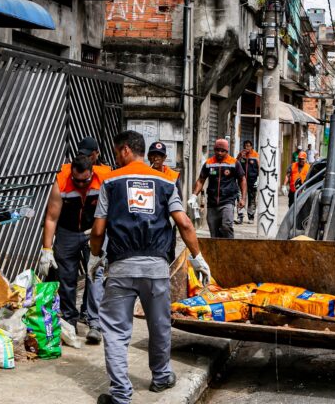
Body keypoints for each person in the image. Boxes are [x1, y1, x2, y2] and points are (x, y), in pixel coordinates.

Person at [88, 130, 212, 404]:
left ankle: (120, 395)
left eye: (116, 152)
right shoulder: (166, 182)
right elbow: (185, 223)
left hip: (120, 268)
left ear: (124, 151)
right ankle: (162, 376)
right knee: (159, 324)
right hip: (156, 268)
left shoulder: (110, 181)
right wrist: (197, 257)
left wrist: (95, 255)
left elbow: (98, 230)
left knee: (117, 331)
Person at [39, 137, 110, 344]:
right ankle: (69, 320)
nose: (80, 184)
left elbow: (111, 211)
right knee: (66, 278)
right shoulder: (61, 180)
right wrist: (46, 249)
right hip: (67, 232)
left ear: (92, 173)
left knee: (95, 275)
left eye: (84, 181)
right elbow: (51, 217)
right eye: (76, 181)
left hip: (93, 232)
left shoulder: (104, 177)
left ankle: (94, 323)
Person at [189, 139, 246, 238]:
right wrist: (194, 196)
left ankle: (229, 249)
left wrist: (243, 198)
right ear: (214, 150)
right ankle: (217, 252)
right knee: (214, 232)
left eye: (222, 150)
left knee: (226, 226)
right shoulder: (209, 163)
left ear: (227, 151)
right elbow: (201, 180)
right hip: (212, 203)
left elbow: (242, 180)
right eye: (217, 150)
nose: (219, 153)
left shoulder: (234, 163)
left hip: (228, 201)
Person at [147, 141, 181, 260]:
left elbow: (178, 201)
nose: (156, 158)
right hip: (149, 221)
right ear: (148, 157)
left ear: (164, 158)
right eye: (153, 155)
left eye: (159, 155)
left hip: (167, 221)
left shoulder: (172, 176)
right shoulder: (144, 174)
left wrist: (172, 222)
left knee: (168, 251)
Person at [235, 140, 259, 224]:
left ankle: (251, 217)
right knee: (240, 198)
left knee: (252, 199)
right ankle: (240, 216)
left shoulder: (256, 155)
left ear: (252, 146)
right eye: (245, 146)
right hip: (241, 181)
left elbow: (259, 168)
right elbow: (235, 164)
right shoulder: (241, 154)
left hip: (252, 181)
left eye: (248, 146)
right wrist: (240, 157)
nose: (247, 147)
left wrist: (258, 179)